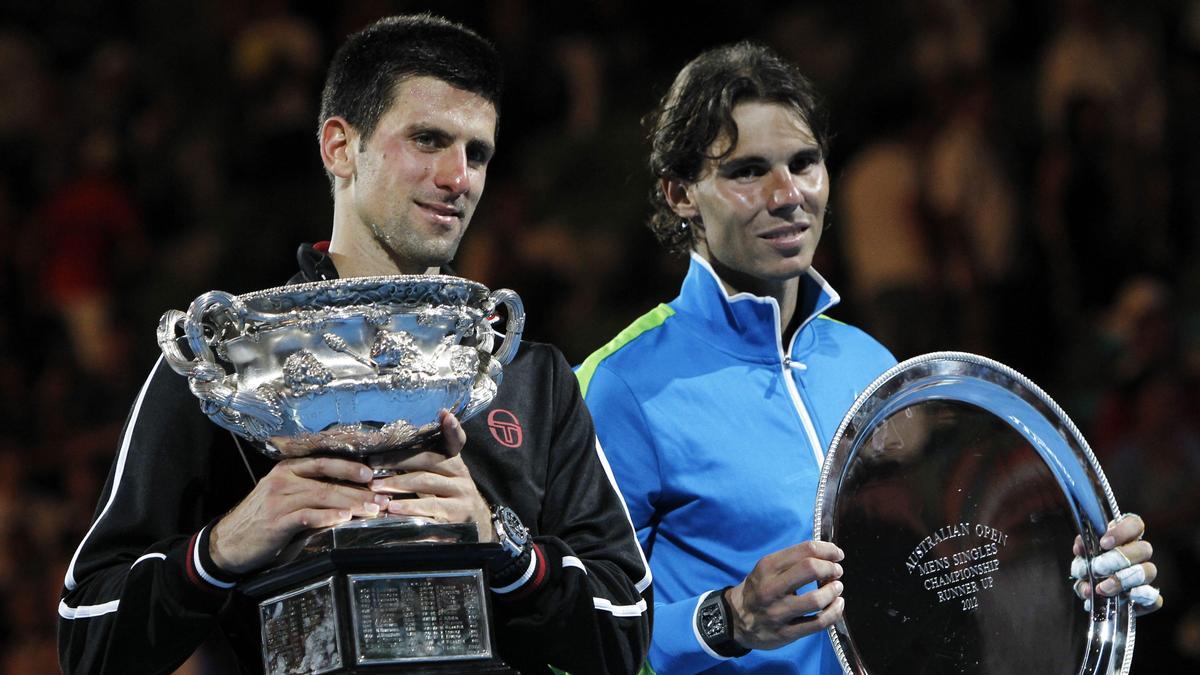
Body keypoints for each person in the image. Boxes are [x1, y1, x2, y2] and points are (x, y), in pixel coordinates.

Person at [58, 15, 651, 674]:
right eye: (428, 140)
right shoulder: (236, 369)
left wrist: (500, 541)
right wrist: (222, 547)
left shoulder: (525, 376)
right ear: (340, 147)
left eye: (477, 152)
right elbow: (87, 636)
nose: (460, 178)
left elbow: (625, 628)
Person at [576, 42, 1160, 674]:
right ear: (681, 193)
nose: (786, 194)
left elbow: (930, 577)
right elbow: (573, 634)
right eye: (747, 171)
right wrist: (727, 618)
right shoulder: (622, 385)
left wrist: (1066, 575)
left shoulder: (870, 364)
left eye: (804, 163)